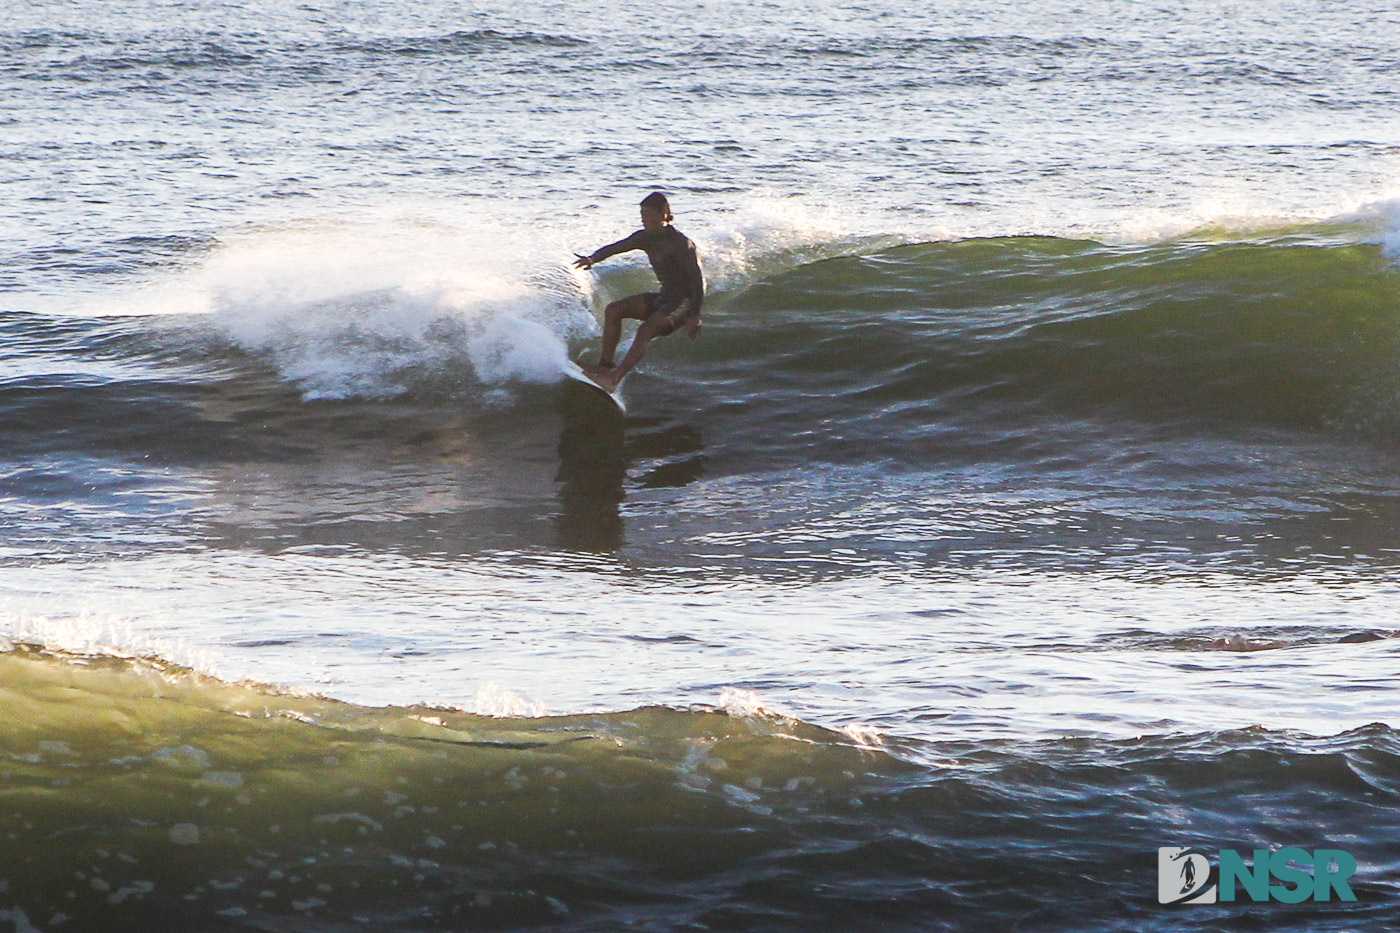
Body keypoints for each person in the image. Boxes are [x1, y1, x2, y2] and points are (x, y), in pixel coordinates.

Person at [572, 192, 705, 391]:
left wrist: (695, 314)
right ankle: (605, 366)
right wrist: (592, 259)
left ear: (664, 215)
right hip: (665, 297)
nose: (645, 220)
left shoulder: (681, 244)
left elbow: (698, 280)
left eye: (650, 215)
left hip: (684, 302)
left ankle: (613, 380)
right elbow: (617, 247)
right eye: (642, 215)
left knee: (645, 331)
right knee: (614, 310)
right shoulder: (644, 238)